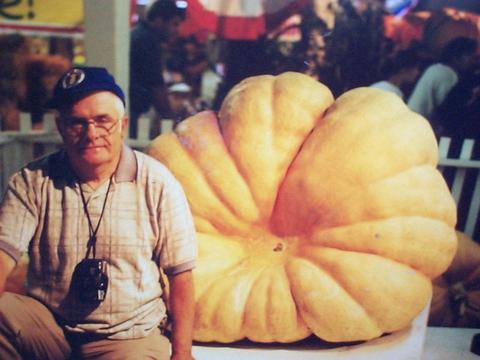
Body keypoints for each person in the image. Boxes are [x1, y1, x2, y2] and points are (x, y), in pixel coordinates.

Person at [0, 66, 197, 360]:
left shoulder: (157, 183)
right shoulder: (32, 181)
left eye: (102, 121)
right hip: (51, 329)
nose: (91, 133)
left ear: (122, 124)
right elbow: (3, 256)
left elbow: (181, 276)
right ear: (61, 127)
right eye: (77, 122)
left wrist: (182, 354)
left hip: (128, 336)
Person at [129, 0, 186, 139]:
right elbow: (157, 88)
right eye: (174, 24)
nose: (177, 30)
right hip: (133, 113)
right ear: (159, 21)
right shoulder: (147, 40)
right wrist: (173, 122)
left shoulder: (140, 34)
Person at [407, 37, 478, 124]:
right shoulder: (447, 74)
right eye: (471, 56)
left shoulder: (437, 68)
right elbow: (448, 110)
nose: (473, 61)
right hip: (420, 127)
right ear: (457, 57)